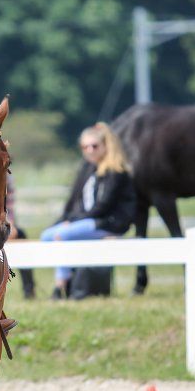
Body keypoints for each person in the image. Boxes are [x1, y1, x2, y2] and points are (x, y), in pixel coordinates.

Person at [40, 121, 137, 299]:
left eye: (94, 146)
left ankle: (60, 285)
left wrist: (73, 222)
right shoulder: (88, 170)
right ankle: (68, 282)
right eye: (85, 147)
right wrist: (63, 221)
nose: (89, 150)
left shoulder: (116, 172)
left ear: (106, 146)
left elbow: (103, 206)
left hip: (108, 223)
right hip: (88, 221)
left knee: (62, 236)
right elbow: (73, 202)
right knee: (47, 236)